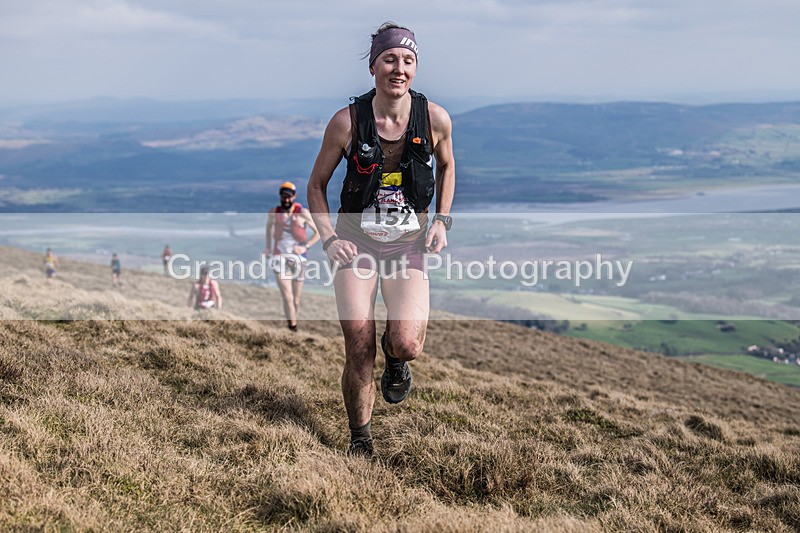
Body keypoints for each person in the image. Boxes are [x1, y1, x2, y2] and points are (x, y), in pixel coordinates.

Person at [307, 22, 455, 457]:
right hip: (356, 244)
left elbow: (447, 167)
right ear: (373, 65)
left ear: (416, 67)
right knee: (358, 345)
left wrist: (442, 221)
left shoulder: (435, 119)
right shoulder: (346, 122)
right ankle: (361, 441)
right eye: (390, 59)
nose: (399, 68)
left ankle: (396, 363)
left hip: (408, 246)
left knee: (407, 343)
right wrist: (330, 238)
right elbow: (315, 185)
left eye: (408, 60)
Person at [266, 181, 319, 331]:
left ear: (294, 196)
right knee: (287, 296)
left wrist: (305, 246)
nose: (286, 200)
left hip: (299, 258)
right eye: (283, 197)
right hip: (279, 256)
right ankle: (292, 328)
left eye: (289, 197)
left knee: (296, 299)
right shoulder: (274, 213)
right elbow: (268, 228)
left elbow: (318, 233)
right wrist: (268, 248)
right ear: (280, 197)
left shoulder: (302, 213)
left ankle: (293, 322)